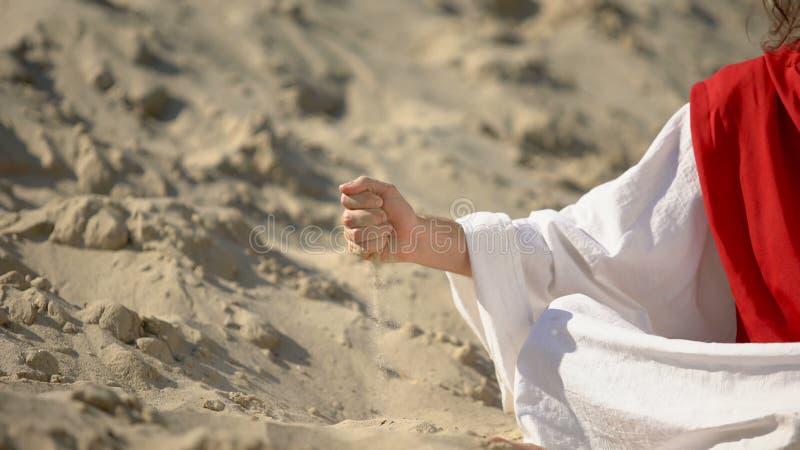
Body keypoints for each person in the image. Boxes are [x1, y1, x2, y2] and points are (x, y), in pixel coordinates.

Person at [339, 2, 800, 447]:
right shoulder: (749, 106)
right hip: (770, 390)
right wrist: (422, 237)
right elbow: (593, 251)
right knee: (568, 339)